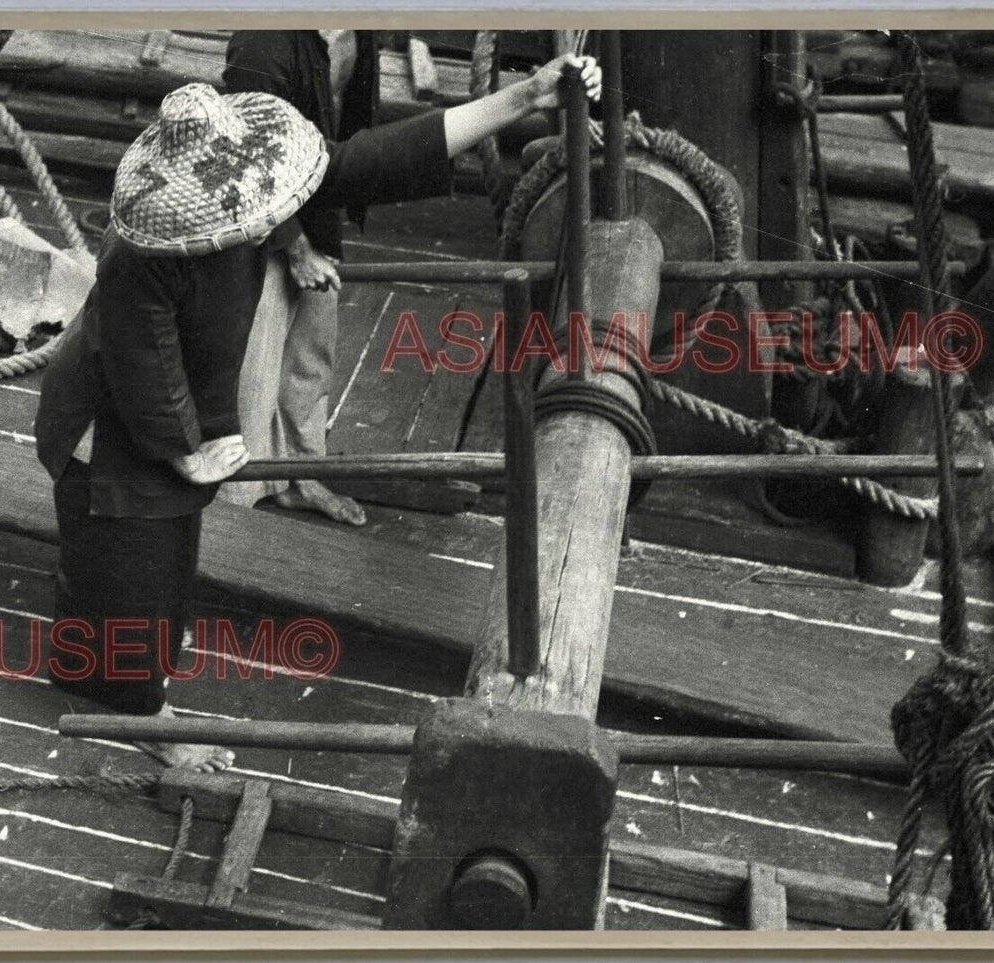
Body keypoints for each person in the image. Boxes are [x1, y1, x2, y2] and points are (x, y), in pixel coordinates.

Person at [33, 55, 602, 772]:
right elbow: (141, 360)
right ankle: (141, 712)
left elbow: (374, 161)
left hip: (169, 403)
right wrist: (188, 449)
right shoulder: (144, 251)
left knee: (158, 551)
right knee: (136, 548)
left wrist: (522, 96)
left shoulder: (254, 183)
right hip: (108, 419)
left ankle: (93, 647)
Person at [218, 30, 379, 525]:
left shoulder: (357, 25)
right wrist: (293, 246)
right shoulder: (263, 38)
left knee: (312, 356)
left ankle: (302, 477)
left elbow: (351, 116)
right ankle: (235, 502)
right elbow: (241, 150)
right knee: (255, 366)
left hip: (317, 199)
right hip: (255, 211)